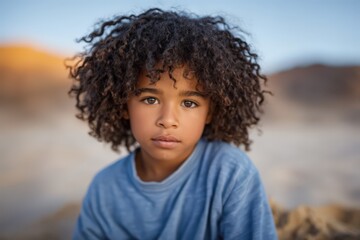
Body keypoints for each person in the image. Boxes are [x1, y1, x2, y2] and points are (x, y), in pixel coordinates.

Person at [68, 8, 277, 240]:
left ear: (210, 112)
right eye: (150, 99)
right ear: (122, 104)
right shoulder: (104, 188)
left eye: (189, 103)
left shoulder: (231, 174)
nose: (167, 120)